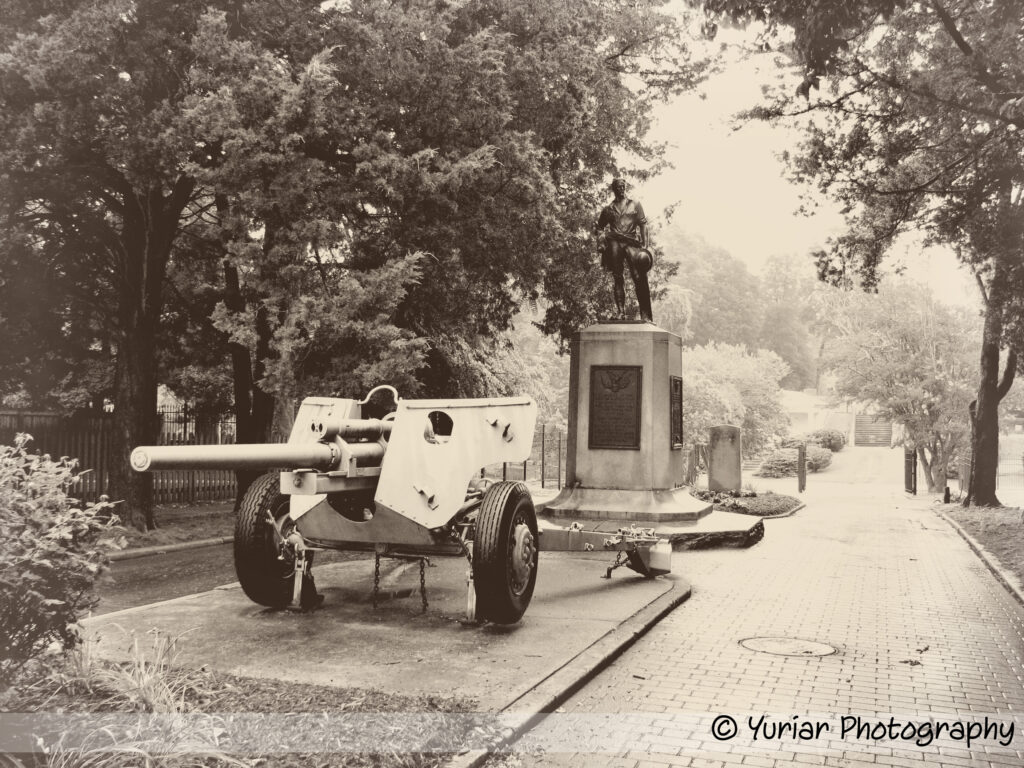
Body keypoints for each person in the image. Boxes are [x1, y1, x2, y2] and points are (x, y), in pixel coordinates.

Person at [595, 178, 653, 322]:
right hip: (615, 243)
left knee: (638, 277)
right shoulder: (608, 209)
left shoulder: (635, 204)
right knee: (618, 277)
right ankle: (621, 312)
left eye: (623, 187)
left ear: (625, 188)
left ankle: (645, 314)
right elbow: (599, 227)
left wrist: (645, 246)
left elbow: (643, 224)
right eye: (618, 187)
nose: (621, 189)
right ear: (614, 189)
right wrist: (601, 238)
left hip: (631, 243)